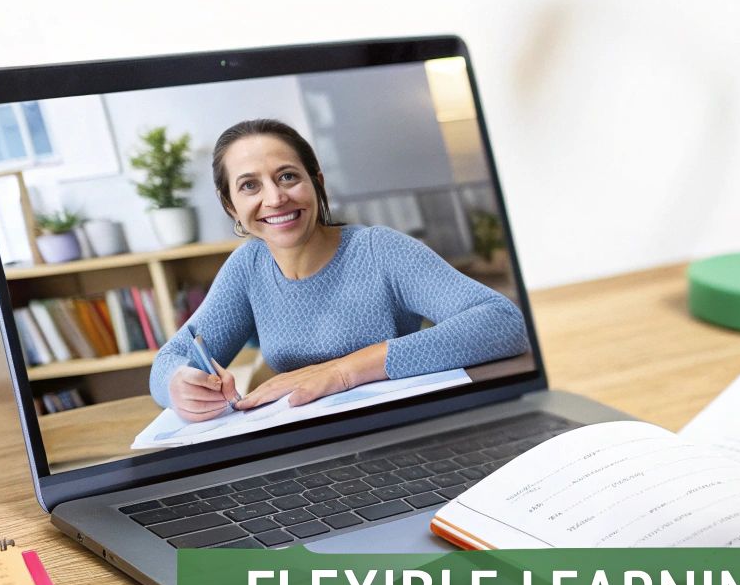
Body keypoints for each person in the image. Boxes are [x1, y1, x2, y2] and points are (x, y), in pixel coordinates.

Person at [148, 118, 528, 421]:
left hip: (404, 430)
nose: (275, 198)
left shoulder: (379, 250)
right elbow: (168, 361)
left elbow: (504, 323)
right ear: (231, 205)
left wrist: (342, 372)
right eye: (250, 186)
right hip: (311, 447)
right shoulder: (248, 268)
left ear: (317, 182)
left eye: (287, 176)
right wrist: (179, 384)